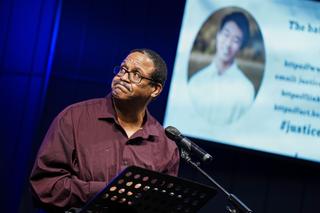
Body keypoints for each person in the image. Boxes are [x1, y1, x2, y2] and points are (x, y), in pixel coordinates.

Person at [29, 48, 180, 212]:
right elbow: (45, 186)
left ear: (155, 89)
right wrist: (107, 190)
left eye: (136, 74)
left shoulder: (166, 145)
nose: (123, 77)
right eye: (123, 69)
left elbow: (162, 205)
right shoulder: (74, 118)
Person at [188, 12, 255, 125]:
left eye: (236, 40)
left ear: (241, 47)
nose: (228, 44)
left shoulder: (246, 89)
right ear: (218, 35)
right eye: (226, 34)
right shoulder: (196, 81)